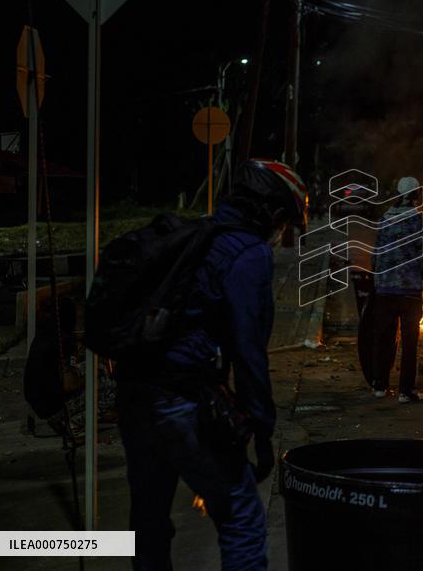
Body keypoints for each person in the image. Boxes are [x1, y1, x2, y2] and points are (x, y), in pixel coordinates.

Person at [115, 158, 308, 570]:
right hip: (181, 399)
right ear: (272, 212)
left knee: (149, 519)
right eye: (284, 222)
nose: (281, 232)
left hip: (134, 392)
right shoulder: (248, 252)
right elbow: (248, 349)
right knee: (241, 517)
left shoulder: (194, 235)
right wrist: (261, 428)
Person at [370, 176, 423, 403]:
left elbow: (375, 255)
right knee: (410, 343)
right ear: (416, 195)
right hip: (410, 291)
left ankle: (380, 386)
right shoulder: (419, 221)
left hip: (385, 290)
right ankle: (405, 391)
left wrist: (377, 282)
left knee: (384, 338)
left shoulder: (384, 220)